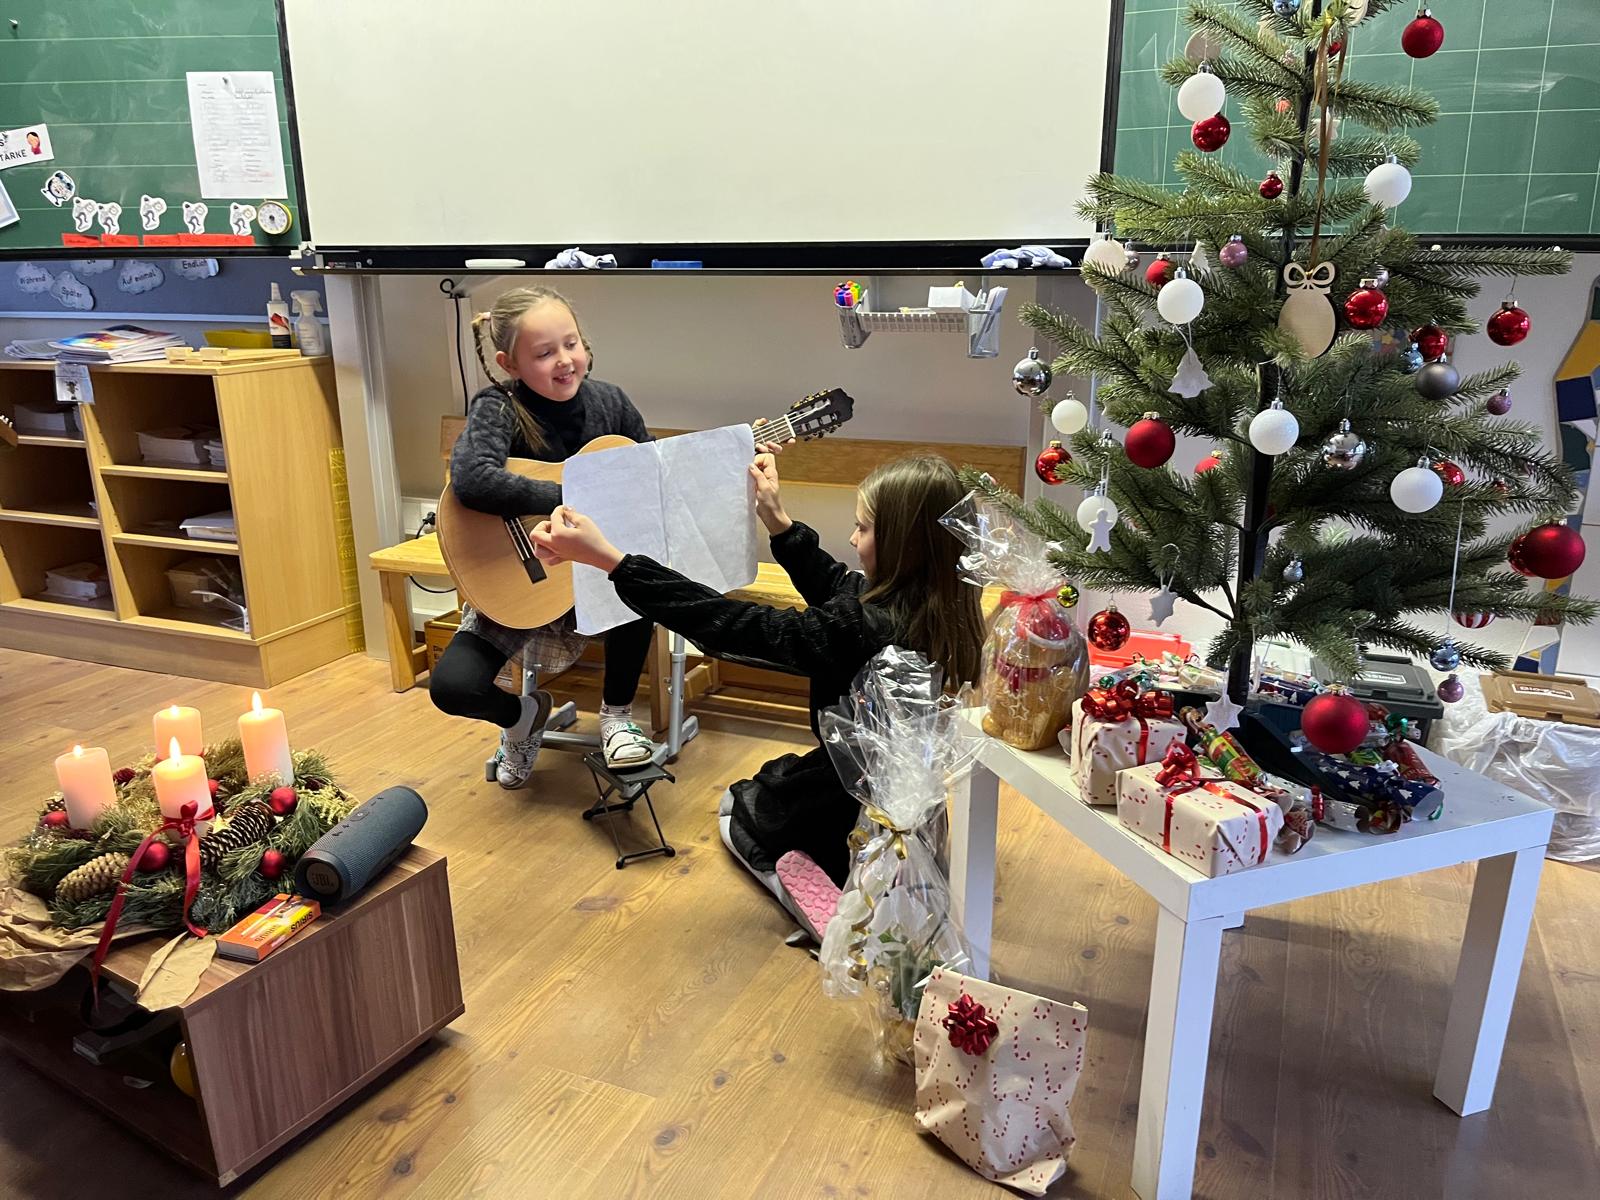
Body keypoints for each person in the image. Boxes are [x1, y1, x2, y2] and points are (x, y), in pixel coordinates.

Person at [530, 452, 984, 925]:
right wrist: (778, 522)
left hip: (849, 795)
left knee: (736, 809)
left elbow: (731, 624)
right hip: (905, 799)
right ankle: (870, 887)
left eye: (862, 527)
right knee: (777, 783)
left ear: (904, 544)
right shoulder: (941, 609)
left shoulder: (862, 626)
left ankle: (836, 907)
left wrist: (612, 561)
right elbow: (837, 587)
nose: (853, 538)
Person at [428, 285, 659, 785]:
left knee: (639, 576)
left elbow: (652, 474)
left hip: (596, 577)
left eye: (571, 344)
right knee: (451, 687)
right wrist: (569, 498)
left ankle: (617, 717)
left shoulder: (611, 403)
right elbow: (473, 479)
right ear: (509, 364)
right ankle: (522, 718)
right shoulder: (498, 407)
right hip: (523, 578)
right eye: (544, 353)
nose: (565, 360)